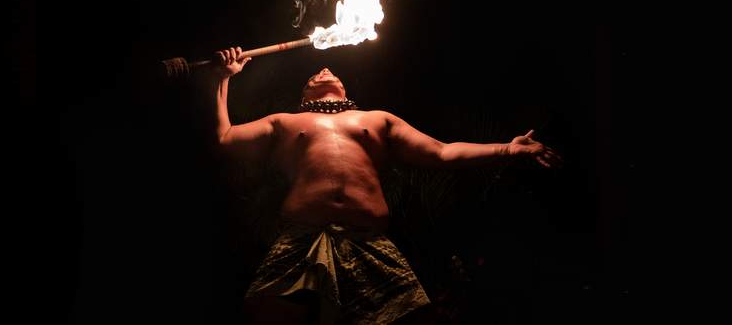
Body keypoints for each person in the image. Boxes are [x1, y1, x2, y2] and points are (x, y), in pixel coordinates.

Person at [208, 47, 562, 324]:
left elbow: (442, 152)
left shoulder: (377, 119)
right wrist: (222, 78)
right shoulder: (285, 121)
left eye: (332, 72)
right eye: (315, 73)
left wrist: (508, 149)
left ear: (345, 90)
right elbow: (224, 138)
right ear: (305, 95)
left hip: (370, 241)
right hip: (302, 240)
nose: (325, 70)